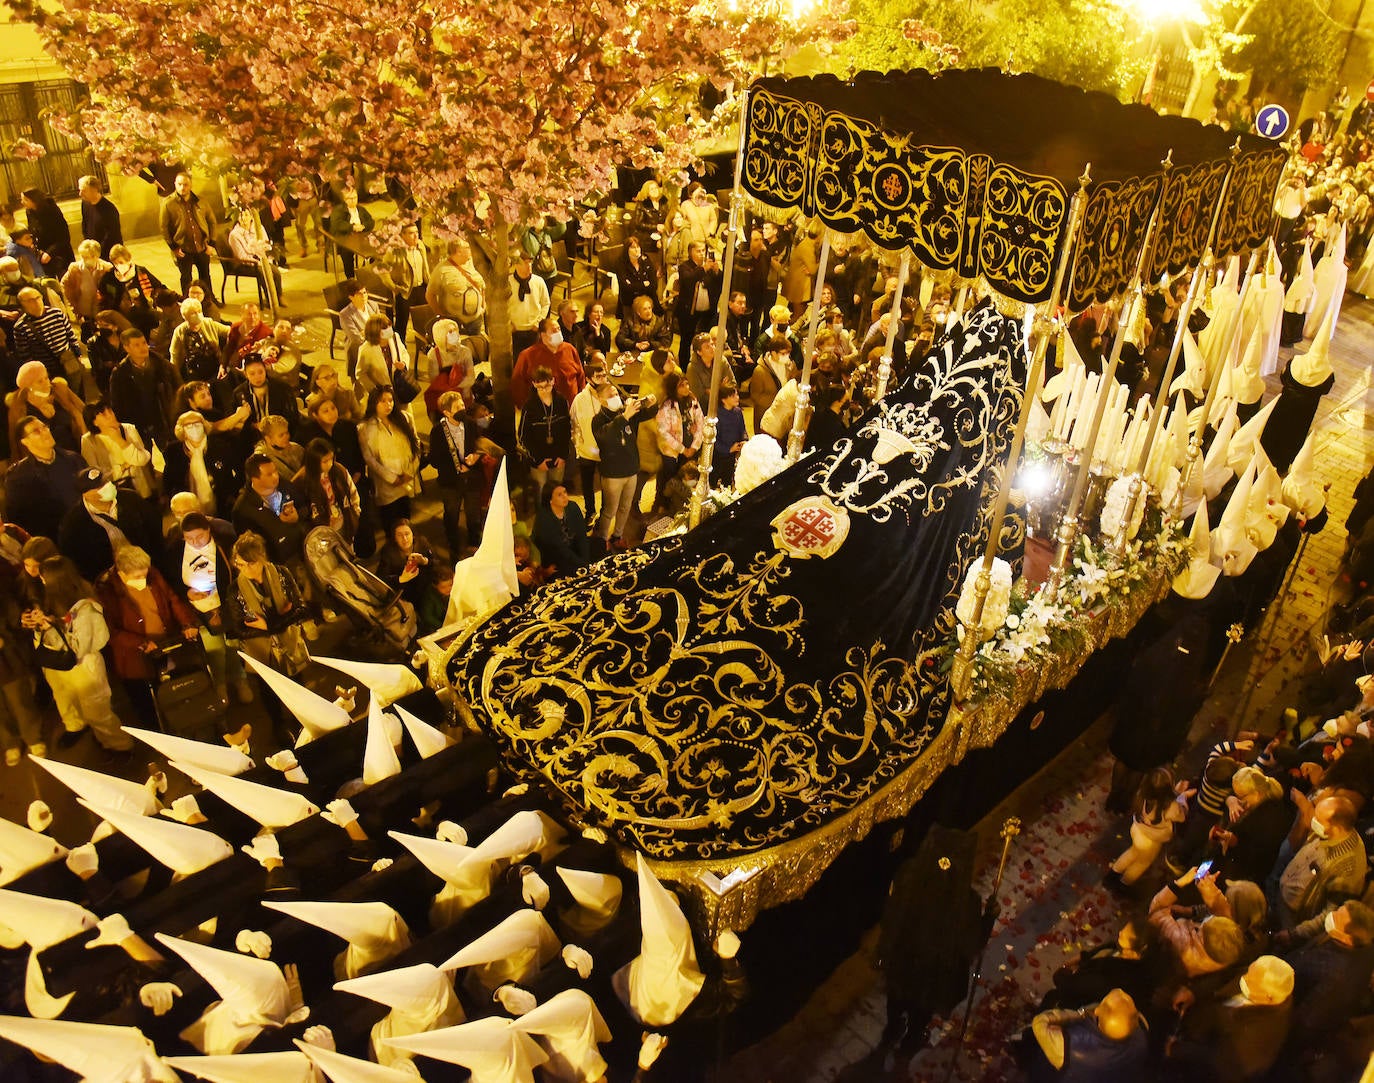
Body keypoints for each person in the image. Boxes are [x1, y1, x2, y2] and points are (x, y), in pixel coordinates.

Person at [877, 824, 997, 1058]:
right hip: (933, 978)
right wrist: (989, 918)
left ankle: (891, 1032)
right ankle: (908, 1046)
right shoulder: (966, 902)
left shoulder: (908, 876)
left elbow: (889, 916)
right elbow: (971, 944)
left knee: (896, 1001)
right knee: (920, 1014)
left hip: (902, 964)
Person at [29, 555, 132, 751]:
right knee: (67, 699)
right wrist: (38, 625)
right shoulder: (50, 601)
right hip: (57, 666)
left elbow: (78, 648)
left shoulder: (86, 609)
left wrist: (49, 628)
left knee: (97, 711)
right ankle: (88, 732)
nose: (40, 580)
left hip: (84, 667)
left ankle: (120, 746)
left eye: (43, 578)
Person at [95, 545, 199, 724]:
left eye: (145, 574)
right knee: (144, 700)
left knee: (169, 688)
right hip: (135, 657)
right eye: (137, 577)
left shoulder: (152, 574)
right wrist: (141, 643)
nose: (143, 579)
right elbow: (112, 631)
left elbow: (171, 599)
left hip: (163, 645)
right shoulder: (107, 590)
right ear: (121, 573)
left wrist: (187, 623)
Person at [1271, 794, 1367, 936]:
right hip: (1282, 896)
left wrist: (1294, 934)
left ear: (1336, 828)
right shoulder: (1327, 832)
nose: (1313, 821)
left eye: (1318, 820)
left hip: (1293, 918)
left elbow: (1330, 914)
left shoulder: (1347, 867)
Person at [1283, 899, 1374, 1046]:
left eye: (1337, 917)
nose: (1331, 915)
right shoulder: (1350, 943)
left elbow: (1306, 1021)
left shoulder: (1337, 980)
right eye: (1337, 910)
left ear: (1347, 938)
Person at [58, 467, 165, 581]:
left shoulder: (130, 498)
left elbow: (154, 526)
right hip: (111, 580)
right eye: (99, 486)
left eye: (106, 481)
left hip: (148, 566)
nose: (107, 486)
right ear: (86, 494)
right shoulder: (74, 523)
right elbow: (77, 558)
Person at [226, 531, 309, 675]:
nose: (245, 569)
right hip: (261, 652)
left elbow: (301, 608)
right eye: (239, 564)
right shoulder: (235, 589)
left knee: (296, 685)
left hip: (290, 646)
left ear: (261, 558)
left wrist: (268, 625)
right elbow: (239, 628)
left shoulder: (281, 573)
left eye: (250, 563)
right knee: (269, 690)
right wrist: (281, 620)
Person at [1025, 989, 1149, 1082]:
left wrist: (1081, 1013)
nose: (1121, 991)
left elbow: (1040, 1023)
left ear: (1097, 1011)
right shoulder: (1141, 1038)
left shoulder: (1069, 1045)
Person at [591, 380, 658, 550]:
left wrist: (651, 403)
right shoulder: (598, 420)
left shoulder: (625, 412)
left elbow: (647, 414)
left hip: (631, 470)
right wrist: (625, 416)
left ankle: (617, 536)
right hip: (613, 474)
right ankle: (603, 539)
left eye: (616, 394)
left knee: (625, 507)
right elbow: (607, 437)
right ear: (600, 399)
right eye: (610, 396)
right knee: (610, 510)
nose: (615, 397)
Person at [427, 391, 487, 555]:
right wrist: (455, 466)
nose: (462, 409)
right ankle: (453, 546)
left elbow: (480, 446)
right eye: (457, 407)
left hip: (472, 478)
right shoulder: (438, 431)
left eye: (462, 405)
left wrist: (475, 458)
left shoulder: (470, 424)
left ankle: (474, 544)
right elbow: (434, 460)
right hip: (450, 483)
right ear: (446, 412)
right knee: (452, 514)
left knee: (473, 515)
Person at [4, 418, 84, 541]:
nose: (45, 432)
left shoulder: (73, 459)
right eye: (36, 431)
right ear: (25, 441)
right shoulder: (18, 477)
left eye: (44, 427)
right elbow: (18, 518)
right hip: (53, 539)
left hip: (85, 529)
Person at [1108, 767, 1187, 886]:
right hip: (1151, 841)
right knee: (1142, 863)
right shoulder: (1170, 806)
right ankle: (1124, 883)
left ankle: (1112, 875)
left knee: (1132, 852)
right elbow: (1182, 817)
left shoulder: (1141, 795)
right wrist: (1182, 797)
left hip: (1137, 829)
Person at [108, 327, 180, 451]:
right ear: (126, 348)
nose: (143, 348)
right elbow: (117, 404)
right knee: (145, 459)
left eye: (144, 343)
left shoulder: (162, 365)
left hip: (163, 421)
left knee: (172, 453)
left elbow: (179, 388)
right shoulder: (120, 374)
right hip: (139, 425)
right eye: (136, 345)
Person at [359, 387, 422, 530]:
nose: (388, 405)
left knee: (405, 522)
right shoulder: (366, 428)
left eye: (391, 400)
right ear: (374, 403)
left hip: (407, 481)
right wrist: (391, 478)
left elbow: (416, 444)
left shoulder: (405, 418)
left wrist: (410, 472)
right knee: (390, 523)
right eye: (383, 401)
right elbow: (369, 458)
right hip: (386, 486)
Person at [232, 454, 306, 564]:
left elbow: (304, 506)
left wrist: (297, 516)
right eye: (269, 474)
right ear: (255, 479)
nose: (276, 476)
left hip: (303, 549)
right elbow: (252, 547)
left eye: (275, 471)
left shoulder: (284, 485)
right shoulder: (243, 510)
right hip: (280, 563)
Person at [0, 578, 44, 764]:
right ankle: (10, 742)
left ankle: (33, 737)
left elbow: (11, 613)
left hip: (7, 657)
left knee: (20, 699)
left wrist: (4, 634)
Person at [7, 360, 85, 455]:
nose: (46, 384)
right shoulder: (20, 410)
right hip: (47, 461)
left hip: (76, 453)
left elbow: (83, 412)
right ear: (28, 387)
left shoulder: (60, 393)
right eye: (39, 381)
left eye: (46, 378)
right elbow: (18, 446)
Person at [81, 399, 154, 499]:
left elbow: (142, 459)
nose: (110, 415)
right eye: (103, 414)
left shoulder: (128, 428)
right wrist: (122, 467)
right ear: (94, 422)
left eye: (110, 410)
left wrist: (119, 440)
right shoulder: (88, 441)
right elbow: (95, 474)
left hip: (141, 490)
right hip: (116, 494)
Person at [517, 366, 572, 498]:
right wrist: (538, 460)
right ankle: (543, 515)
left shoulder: (561, 401)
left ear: (553, 381)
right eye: (539, 387)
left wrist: (563, 455)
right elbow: (523, 436)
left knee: (557, 489)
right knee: (540, 491)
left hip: (558, 456)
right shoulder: (529, 406)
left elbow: (566, 430)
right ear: (534, 384)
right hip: (539, 459)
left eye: (547, 386)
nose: (544, 391)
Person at [512, 316, 586, 409]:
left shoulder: (570, 349)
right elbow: (518, 383)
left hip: (572, 407)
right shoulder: (528, 355)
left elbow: (581, 377)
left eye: (559, 329)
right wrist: (525, 406)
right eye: (554, 331)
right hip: (541, 410)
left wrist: (581, 400)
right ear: (543, 335)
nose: (558, 333)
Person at [297, 438, 361, 547]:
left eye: (331, 459)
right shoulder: (303, 482)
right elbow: (303, 513)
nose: (330, 464)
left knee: (348, 553)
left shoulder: (339, 470)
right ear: (314, 461)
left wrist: (355, 512)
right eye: (325, 461)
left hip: (344, 523)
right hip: (321, 533)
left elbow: (352, 492)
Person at [654, 373, 703, 513]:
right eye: (682, 385)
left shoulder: (693, 402)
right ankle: (664, 505)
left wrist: (694, 446)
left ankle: (684, 506)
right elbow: (664, 433)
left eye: (687, 384)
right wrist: (682, 449)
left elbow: (700, 423)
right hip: (673, 451)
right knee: (670, 478)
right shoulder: (667, 406)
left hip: (691, 448)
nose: (686, 387)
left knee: (688, 478)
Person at [11, 286, 81, 383]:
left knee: (77, 391)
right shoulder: (21, 327)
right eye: (30, 300)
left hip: (68, 361)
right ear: (22, 304)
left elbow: (70, 336)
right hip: (48, 369)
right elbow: (25, 355)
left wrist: (78, 355)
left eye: (38, 297)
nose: (36, 302)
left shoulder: (57, 313)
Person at [160, 172, 216, 293]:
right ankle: (187, 300)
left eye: (185, 184)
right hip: (183, 248)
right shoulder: (168, 203)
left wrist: (212, 243)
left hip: (202, 246)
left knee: (205, 275)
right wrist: (173, 247)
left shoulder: (201, 201)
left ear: (190, 185)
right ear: (175, 184)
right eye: (179, 184)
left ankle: (209, 299)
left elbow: (212, 222)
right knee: (186, 277)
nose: (182, 188)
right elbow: (164, 228)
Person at [570, 358, 608, 528]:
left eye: (604, 376)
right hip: (587, 451)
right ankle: (590, 511)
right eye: (598, 376)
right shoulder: (580, 399)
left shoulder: (610, 394)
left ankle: (604, 514)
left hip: (607, 450)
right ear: (588, 378)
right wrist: (579, 445)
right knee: (587, 484)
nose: (603, 379)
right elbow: (574, 425)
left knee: (607, 484)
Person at [673, 242, 722, 368]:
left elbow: (719, 286)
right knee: (686, 340)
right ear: (691, 252)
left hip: (707, 312)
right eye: (698, 251)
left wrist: (717, 272)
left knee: (705, 342)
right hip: (689, 311)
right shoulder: (685, 267)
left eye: (702, 251)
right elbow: (688, 279)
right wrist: (704, 269)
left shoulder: (709, 268)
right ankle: (684, 366)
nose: (701, 254)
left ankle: (702, 366)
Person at [381, 221, 430, 345]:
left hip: (421, 287)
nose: (415, 236)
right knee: (402, 323)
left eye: (416, 232)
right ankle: (400, 347)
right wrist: (394, 287)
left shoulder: (420, 246)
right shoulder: (394, 250)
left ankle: (424, 345)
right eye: (411, 233)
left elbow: (425, 266)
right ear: (403, 235)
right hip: (405, 290)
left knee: (424, 320)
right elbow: (383, 270)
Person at [426, 238, 486, 334]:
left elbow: (482, 285)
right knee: (455, 347)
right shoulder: (441, 270)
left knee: (475, 346)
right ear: (459, 251)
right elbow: (430, 295)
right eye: (467, 247)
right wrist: (441, 316)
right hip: (454, 322)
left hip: (475, 321)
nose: (471, 249)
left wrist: (483, 305)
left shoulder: (474, 264)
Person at [534, 480, 589, 577]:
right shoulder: (544, 518)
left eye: (565, 492)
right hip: (556, 556)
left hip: (572, 547)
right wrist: (582, 564)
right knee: (571, 571)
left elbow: (581, 535)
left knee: (599, 544)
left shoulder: (572, 507)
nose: (565, 497)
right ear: (550, 500)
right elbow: (559, 548)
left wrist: (585, 560)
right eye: (559, 495)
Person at [376, 518, 436, 608]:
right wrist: (401, 579)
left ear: (413, 535)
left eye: (407, 534)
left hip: (425, 587)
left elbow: (437, 563)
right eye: (399, 535)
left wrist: (425, 562)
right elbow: (380, 579)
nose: (404, 539)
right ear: (394, 538)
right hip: (404, 594)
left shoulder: (422, 543)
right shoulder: (388, 552)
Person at [422, 318, 475, 417]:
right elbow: (434, 381)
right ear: (441, 335)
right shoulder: (433, 355)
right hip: (444, 399)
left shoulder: (465, 352)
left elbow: (471, 377)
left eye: (455, 330)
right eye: (450, 332)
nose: (455, 334)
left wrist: (457, 388)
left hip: (464, 395)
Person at [228, 208, 283, 301]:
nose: (243, 218)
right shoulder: (234, 235)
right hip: (246, 263)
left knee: (276, 273)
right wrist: (257, 262)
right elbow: (241, 256)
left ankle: (279, 297)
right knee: (263, 273)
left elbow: (266, 244)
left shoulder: (259, 228)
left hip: (261, 258)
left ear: (251, 217)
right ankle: (270, 299)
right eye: (241, 216)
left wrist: (267, 257)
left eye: (246, 215)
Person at [170, 298, 230, 382]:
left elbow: (229, 331)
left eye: (199, 311)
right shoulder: (179, 331)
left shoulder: (208, 323)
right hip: (194, 370)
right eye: (193, 313)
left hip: (213, 365)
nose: (198, 314)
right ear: (185, 316)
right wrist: (176, 377)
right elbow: (175, 356)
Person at [355, 313, 412, 402]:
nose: (390, 330)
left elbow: (404, 352)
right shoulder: (366, 349)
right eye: (386, 328)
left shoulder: (395, 337)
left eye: (390, 326)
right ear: (377, 332)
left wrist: (404, 364)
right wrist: (374, 390)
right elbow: (360, 374)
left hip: (399, 390)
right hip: (382, 396)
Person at [20, 188, 74, 276]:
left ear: (34, 200)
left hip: (60, 253)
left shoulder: (52, 211)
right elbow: (32, 229)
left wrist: (50, 252)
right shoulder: (29, 211)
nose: (22, 202)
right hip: (43, 254)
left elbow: (64, 237)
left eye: (25, 199)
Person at [508, 249, 550, 358]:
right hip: (515, 331)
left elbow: (546, 303)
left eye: (530, 262)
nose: (529, 266)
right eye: (525, 263)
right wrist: (508, 323)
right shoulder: (508, 283)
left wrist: (539, 321)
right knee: (517, 361)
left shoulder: (538, 281)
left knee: (534, 360)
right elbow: (502, 307)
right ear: (516, 265)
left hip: (533, 330)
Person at [61, 239, 111, 327]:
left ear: (96, 256)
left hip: (102, 313)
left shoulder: (107, 269)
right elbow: (66, 287)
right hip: (83, 313)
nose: (83, 260)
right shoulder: (74, 268)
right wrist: (75, 310)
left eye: (86, 257)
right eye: (82, 256)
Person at [326, 188, 374, 278]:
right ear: (345, 200)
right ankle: (350, 277)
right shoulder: (338, 210)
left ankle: (368, 272)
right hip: (345, 238)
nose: (353, 200)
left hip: (362, 236)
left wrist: (363, 226)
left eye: (355, 197)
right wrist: (352, 227)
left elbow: (371, 221)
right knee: (347, 253)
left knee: (375, 250)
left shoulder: (361, 209)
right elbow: (336, 224)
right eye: (350, 198)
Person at [685, 330, 734, 409]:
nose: (712, 348)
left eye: (712, 344)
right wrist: (721, 388)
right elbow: (699, 396)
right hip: (703, 408)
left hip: (724, 403)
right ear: (699, 352)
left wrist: (710, 391)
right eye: (707, 347)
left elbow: (732, 384)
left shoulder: (722, 361)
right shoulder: (692, 368)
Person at [616, 234, 660, 319]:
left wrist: (635, 285)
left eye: (638, 247)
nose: (636, 250)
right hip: (630, 300)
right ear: (627, 250)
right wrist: (643, 284)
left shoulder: (645, 259)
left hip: (648, 297)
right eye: (633, 247)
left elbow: (654, 284)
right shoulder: (620, 263)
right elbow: (626, 287)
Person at [78, 175, 123, 258]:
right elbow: (85, 225)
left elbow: (112, 235)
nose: (80, 194)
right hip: (92, 252)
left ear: (94, 190)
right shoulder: (85, 204)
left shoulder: (109, 209)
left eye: (84, 191)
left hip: (109, 254)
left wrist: (98, 252)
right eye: (80, 190)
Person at [713, 384, 748, 488]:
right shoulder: (716, 415)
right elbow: (714, 439)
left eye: (737, 394)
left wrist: (744, 440)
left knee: (728, 483)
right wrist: (728, 449)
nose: (737, 398)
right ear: (724, 399)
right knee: (714, 483)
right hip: (719, 456)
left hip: (733, 456)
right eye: (733, 396)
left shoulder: (738, 412)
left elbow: (743, 429)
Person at [223, 301, 274, 368]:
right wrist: (223, 366)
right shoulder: (235, 327)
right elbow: (228, 348)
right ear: (242, 315)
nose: (253, 317)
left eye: (255, 314)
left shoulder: (265, 333)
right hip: (231, 364)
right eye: (249, 314)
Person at [253, 414, 305, 481]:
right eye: (281, 435)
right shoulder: (261, 460)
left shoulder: (297, 448)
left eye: (287, 433)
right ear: (268, 439)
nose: (287, 437)